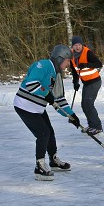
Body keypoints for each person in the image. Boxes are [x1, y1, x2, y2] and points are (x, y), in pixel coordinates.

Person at [14, 45, 81, 181]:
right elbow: (32, 84)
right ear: (60, 58)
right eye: (68, 60)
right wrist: (46, 93)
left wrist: (72, 115)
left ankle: (53, 160)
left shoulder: (57, 75)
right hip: (25, 105)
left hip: (37, 108)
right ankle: (39, 167)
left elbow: (59, 100)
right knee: (43, 133)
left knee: (50, 132)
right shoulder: (43, 65)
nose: (68, 64)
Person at [70, 36, 104, 136]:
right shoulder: (71, 55)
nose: (77, 47)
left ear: (82, 45)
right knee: (84, 104)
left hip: (94, 81)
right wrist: (75, 82)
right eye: (75, 45)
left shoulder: (87, 52)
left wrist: (86, 65)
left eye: (79, 45)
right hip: (86, 82)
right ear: (73, 46)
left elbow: (99, 64)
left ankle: (98, 127)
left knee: (88, 103)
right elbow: (74, 70)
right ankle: (91, 125)